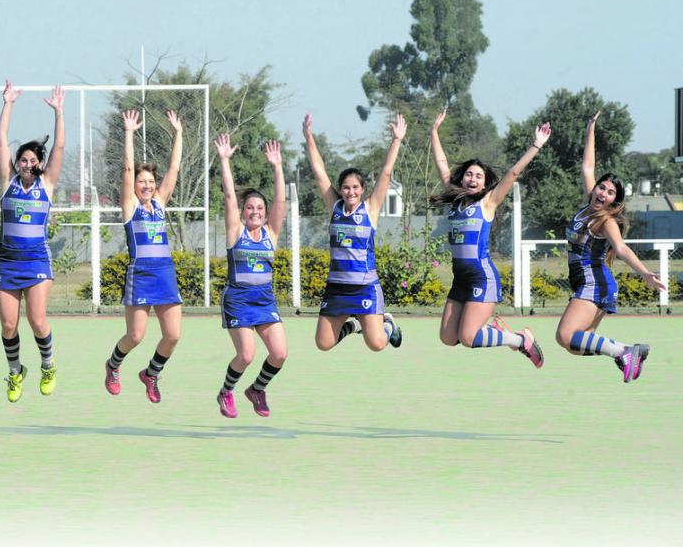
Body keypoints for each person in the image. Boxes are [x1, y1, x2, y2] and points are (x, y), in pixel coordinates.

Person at [429, 110, 550, 365]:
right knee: (448, 338)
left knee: (469, 337)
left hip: (482, 277)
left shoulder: (488, 202)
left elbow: (513, 174)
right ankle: (505, 335)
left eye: (478, 176)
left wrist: (536, 145)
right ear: (462, 178)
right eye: (469, 174)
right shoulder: (455, 200)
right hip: (460, 279)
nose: (472, 178)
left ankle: (519, 340)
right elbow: (441, 163)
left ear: (485, 184)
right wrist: (434, 133)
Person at [554, 112, 665, 382]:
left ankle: (625, 351)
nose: (602, 193)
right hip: (590, 282)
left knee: (565, 336)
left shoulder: (606, 221)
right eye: (601, 188)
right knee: (575, 346)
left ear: (615, 202)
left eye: (610, 192)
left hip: (595, 283)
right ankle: (627, 350)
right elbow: (587, 167)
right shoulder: (588, 207)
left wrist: (644, 273)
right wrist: (590, 128)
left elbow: (622, 249)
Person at [302, 113, 406, 355]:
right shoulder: (334, 207)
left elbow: (386, 173)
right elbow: (319, 172)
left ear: (362, 190)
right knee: (324, 343)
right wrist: (308, 137)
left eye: (355, 187)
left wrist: (397, 140)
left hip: (365, 287)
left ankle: (387, 324)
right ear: (340, 189)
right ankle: (356, 324)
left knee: (377, 344)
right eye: (346, 187)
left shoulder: (370, 208)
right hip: (337, 288)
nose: (350, 191)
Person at [103, 108, 183, 403]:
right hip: (141, 273)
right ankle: (113, 365)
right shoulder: (130, 206)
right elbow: (126, 170)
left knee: (172, 335)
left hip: (165, 273)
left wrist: (179, 133)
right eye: (142, 181)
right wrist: (128, 134)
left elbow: (173, 170)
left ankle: (151, 374)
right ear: (134, 186)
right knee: (135, 336)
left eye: (150, 181)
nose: (147, 185)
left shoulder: (160, 203)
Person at [0, 81, 65, 403]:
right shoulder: (7, 182)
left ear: (39, 163)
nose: (26, 164)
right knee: (9, 325)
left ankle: (48, 366)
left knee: (37, 321)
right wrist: (8, 103)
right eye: (22, 159)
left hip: (36, 260)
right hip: (7, 261)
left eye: (32, 161)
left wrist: (59, 113)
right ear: (17, 163)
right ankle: (15, 372)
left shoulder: (46, 184)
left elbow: (60, 149)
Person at [214, 134, 287, 418]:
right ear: (243, 214)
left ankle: (257, 389)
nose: (255, 211)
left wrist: (277, 166)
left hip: (264, 300)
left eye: (260, 208)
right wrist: (224, 160)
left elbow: (280, 199)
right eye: (250, 208)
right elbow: (230, 195)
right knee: (246, 355)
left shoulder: (271, 234)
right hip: (239, 300)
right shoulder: (236, 232)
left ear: (266, 214)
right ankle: (226, 392)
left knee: (279, 353)